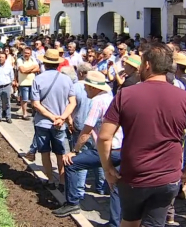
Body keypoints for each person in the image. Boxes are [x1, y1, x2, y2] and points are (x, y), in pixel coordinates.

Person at [98, 42, 186, 227]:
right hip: (168, 178)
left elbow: (104, 137)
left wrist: (108, 168)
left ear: (148, 65)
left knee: (129, 222)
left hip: (134, 175)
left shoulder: (125, 94)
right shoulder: (185, 98)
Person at [54, 71, 122, 227]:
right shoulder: (110, 98)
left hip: (107, 149)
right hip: (120, 148)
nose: (84, 90)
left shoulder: (97, 101)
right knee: (117, 184)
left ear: (94, 88)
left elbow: (86, 130)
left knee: (71, 163)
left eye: (87, 87)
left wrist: (75, 151)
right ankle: (115, 223)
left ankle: (72, 203)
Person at [32, 49, 76, 190]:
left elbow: (35, 103)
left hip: (42, 122)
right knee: (60, 152)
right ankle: (62, 182)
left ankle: (50, 180)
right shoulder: (66, 79)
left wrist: (51, 117)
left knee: (44, 152)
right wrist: (61, 118)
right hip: (60, 124)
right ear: (58, 64)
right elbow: (72, 102)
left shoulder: (38, 79)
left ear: (44, 62)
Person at [0, 53, 14, 123]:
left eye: (2, 57)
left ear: (5, 58)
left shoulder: (9, 67)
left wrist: (10, 85)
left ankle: (8, 117)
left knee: (7, 102)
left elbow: (12, 77)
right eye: (0, 57)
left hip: (6, 86)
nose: (1, 59)